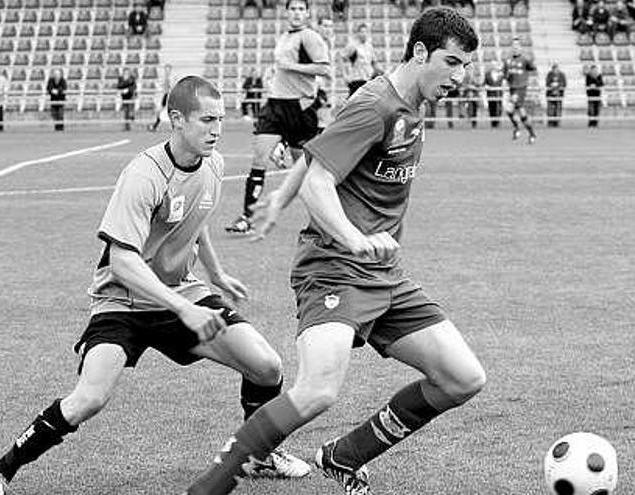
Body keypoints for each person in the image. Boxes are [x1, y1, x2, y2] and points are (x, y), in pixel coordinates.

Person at [186, 7, 485, 495]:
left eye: (467, 66)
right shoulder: (376, 104)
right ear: (420, 52)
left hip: (383, 272)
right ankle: (208, 488)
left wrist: (276, 200)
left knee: (462, 378)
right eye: (453, 63)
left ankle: (345, 457)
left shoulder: (413, 101)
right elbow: (320, 183)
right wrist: (353, 238)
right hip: (334, 269)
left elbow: (317, 152)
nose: (461, 76)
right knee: (318, 389)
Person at [0, 76, 311, 495]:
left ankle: (259, 455)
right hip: (121, 300)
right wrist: (183, 308)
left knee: (267, 366)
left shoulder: (215, 164)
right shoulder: (144, 174)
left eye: (221, 119)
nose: (217, 130)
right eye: (206, 120)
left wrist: (217, 275)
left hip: (180, 294)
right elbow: (122, 260)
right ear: (176, 119)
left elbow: (195, 221)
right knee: (89, 399)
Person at [224, 0, 331, 235]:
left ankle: (324, 221)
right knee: (259, 159)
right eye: (293, 9)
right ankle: (247, 217)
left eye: (301, 9)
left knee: (304, 170)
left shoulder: (310, 37)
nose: (296, 13)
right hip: (275, 104)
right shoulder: (284, 37)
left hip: (300, 108)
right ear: (286, 13)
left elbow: (324, 68)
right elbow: (283, 67)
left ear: (306, 13)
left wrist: (292, 67)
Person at [501, 37, 537, 144]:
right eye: (513, 45)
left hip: (521, 88)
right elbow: (505, 75)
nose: (515, 47)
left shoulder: (524, 59)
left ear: (520, 47)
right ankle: (532, 134)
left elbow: (533, 68)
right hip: (512, 89)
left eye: (517, 45)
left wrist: (530, 62)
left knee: (508, 108)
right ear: (511, 47)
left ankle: (517, 128)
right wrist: (504, 77)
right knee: (521, 114)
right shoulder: (508, 61)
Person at [341, 24, 379, 98]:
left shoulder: (369, 47)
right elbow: (341, 57)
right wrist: (345, 75)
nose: (364, 34)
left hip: (367, 79)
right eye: (362, 32)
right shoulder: (353, 46)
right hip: (356, 79)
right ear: (358, 33)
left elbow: (374, 62)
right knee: (353, 101)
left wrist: (382, 72)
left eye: (365, 32)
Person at [149, 63, 173, 132]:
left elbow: (172, 87)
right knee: (159, 111)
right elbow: (160, 86)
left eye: (168, 70)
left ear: (170, 70)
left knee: (171, 112)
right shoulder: (162, 78)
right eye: (166, 70)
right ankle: (155, 126)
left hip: (170, 96)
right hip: (164, 96)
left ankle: (173, 127)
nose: (167, 71)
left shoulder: (172, 78)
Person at [545, 61, 566, 127]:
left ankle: (557, 121)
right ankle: (550, 121)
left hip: (559, 94)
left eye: (556, 68)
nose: (555, 70)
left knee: (558, 107)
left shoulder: (562, 74)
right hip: (550, 93)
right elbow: (547, 83)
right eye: (554, 68)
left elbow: (564, 83)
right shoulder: (549, 74)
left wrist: (558, 86)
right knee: (550, 108)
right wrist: (552, 86)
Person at [484, 61, 504, 128]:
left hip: (498, 94)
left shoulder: (501, 74)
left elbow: (504, 83)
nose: (494, 66)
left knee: (499, 108)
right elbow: (484, 84)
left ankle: (498, 122)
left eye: (495, 65)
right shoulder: (487, 74)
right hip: (490, 94)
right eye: (493, 65)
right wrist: (486, 86)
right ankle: (493, 123)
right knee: (491, 108)